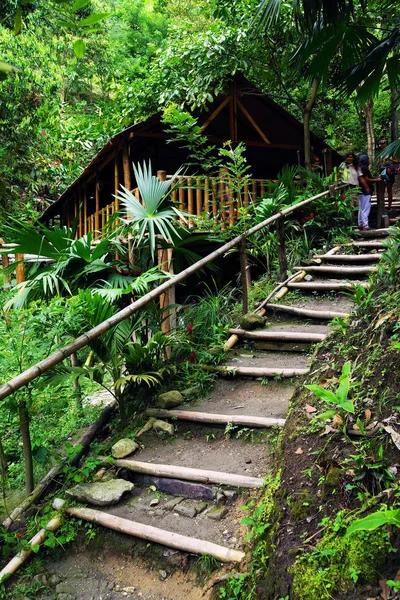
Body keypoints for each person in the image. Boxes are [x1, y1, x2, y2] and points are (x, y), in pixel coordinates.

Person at [358, 154, 382, 230]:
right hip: (365, 191)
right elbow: (366, 179)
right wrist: (377, 180)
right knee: (365, 208)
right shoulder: (364, 168)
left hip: (360, 191)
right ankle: (365, 225)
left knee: (361, 208)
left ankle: (361, 224)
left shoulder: (359, 168)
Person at [378, 137, 399, 211]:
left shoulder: (392, 152)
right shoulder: (380, 152)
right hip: (382, 171)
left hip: (389, 172)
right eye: (381, 143)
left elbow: (397, 161)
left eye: (383, 143)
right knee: (381, 190)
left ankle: (389, 206)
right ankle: (382, 206)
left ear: (386, 144)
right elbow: (378, 162)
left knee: (389, 189)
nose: (382, 145)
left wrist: (390, 159)